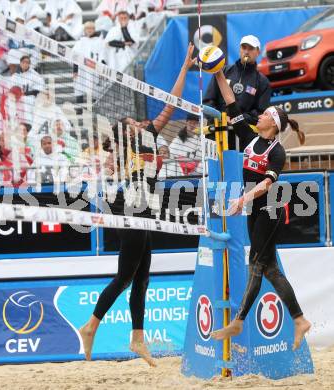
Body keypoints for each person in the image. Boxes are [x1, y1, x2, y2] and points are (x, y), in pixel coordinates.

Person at [79, 43, 196, 366]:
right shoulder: (136, 139)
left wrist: (186, 66)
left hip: (144, 211)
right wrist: (184, 68)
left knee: (141, 279)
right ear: (128, 131)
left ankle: (137, 339)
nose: (140, 122)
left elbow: (168, 108)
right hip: (134, 211)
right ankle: (91, 326)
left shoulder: (142, 142)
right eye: (134, 122)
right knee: (124, 278)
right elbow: (170, 106)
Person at [210, 68, 311, 351]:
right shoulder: (250, 137)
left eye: (265, 114)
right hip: (256, 210)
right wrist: (218, 75)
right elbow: (232, 105)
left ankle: (240, 319)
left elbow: (267, 184)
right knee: (269, 270)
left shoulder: (277, 151)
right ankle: (299, 319)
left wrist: (242, 200)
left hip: (271, 210)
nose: (261, 115)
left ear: (273, 124)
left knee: (256, 264)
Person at [203, 35, 271, 150]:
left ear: (258, 52)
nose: (246, 51)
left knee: (237, 167)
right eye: (244, 47)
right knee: (214, 168)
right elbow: (208, 101)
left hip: (243, 138)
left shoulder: (262, 81)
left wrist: (236, 118)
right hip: (216, 134)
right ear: (240, 49)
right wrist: (221, 117)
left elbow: (260, 113)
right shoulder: (223, 71)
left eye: (251, 48)